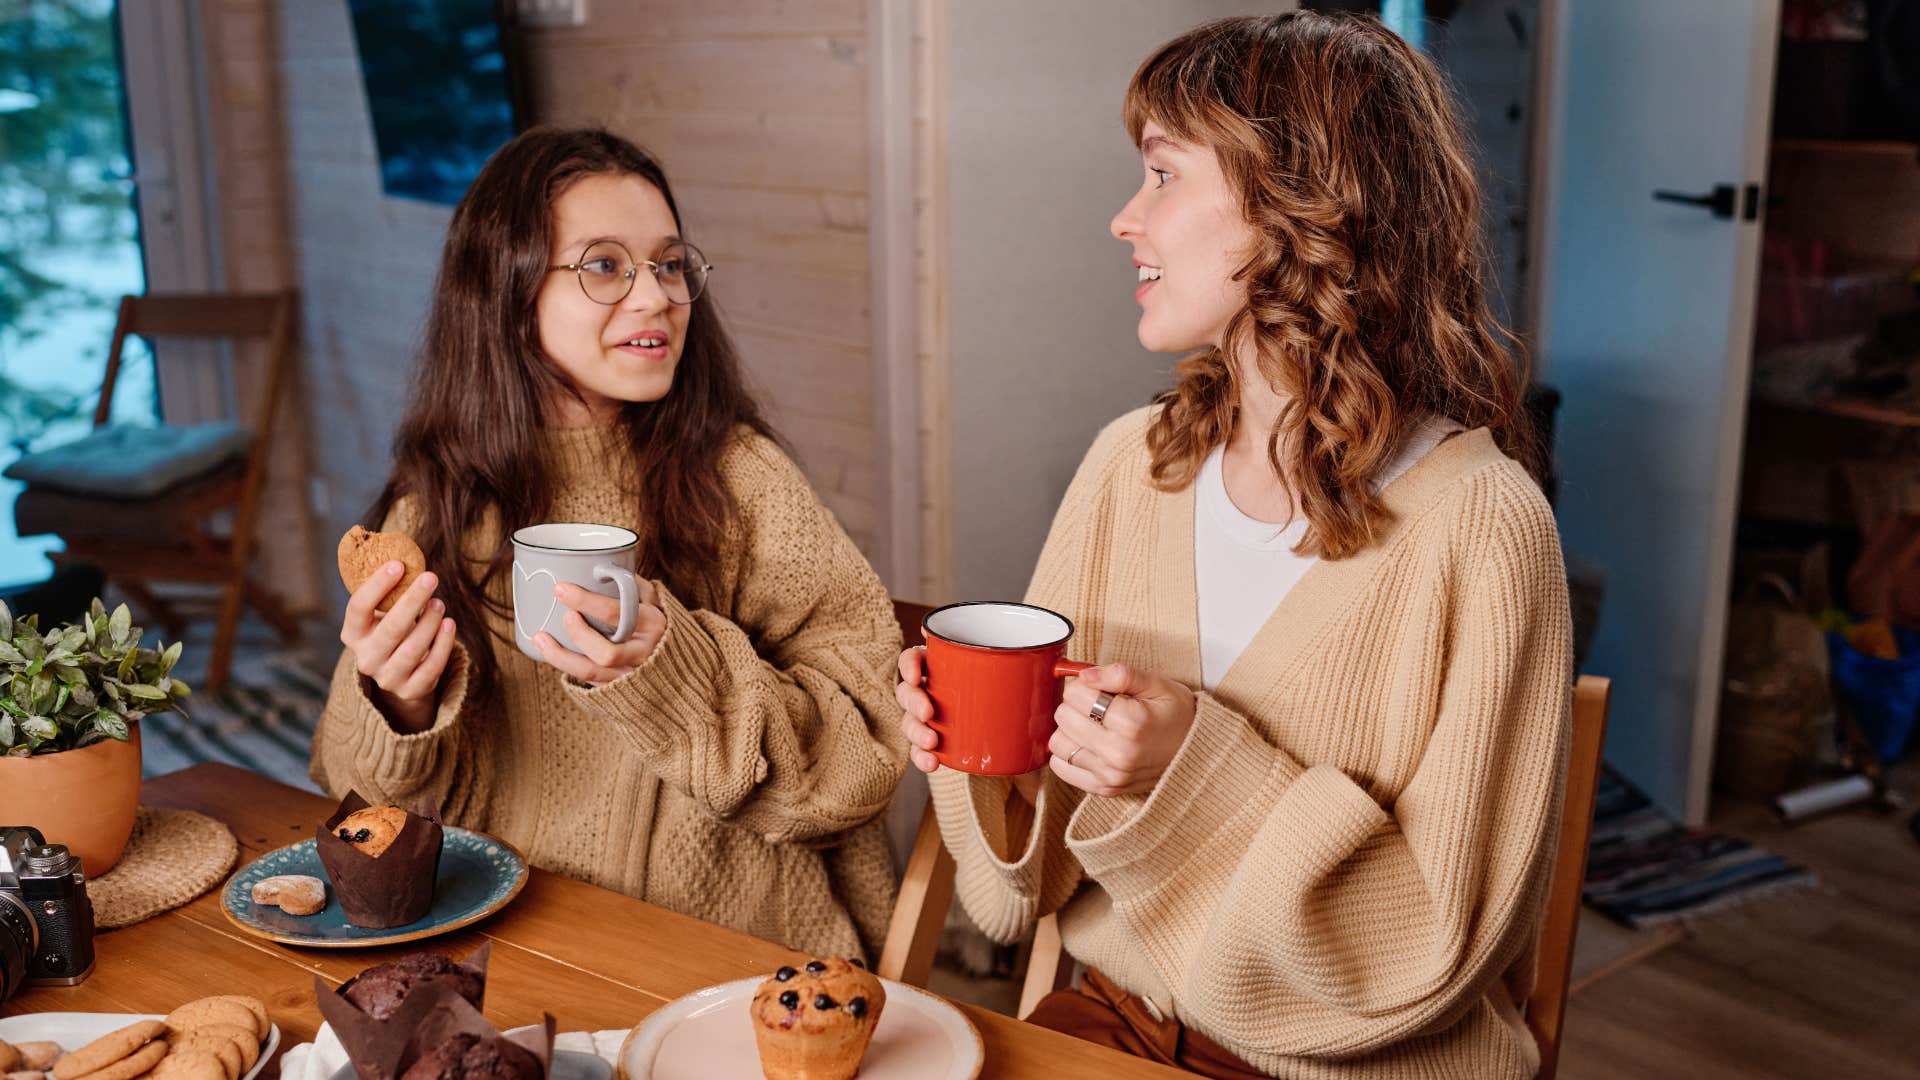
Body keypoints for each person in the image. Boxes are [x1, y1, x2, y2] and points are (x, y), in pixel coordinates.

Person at [896, 13, 1572, 1077]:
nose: (1125, 218)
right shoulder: (1131, 467)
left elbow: (1426, 953)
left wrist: (1189, 769)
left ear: (1297, 200)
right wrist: (986, 754)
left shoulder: (1486, 527)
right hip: (1113, 1030)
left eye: (1163, 175)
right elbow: (1016, 896)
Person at [312, 126, 907, 961]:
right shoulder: (440, 503)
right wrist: (395, 703)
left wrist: (676, 677)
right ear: (507, 293)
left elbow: (867, 764)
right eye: (603, 265)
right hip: (494, 946)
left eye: (669, 264)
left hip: (722, 958)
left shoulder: (746, 483)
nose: (657, 297)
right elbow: (355, 804)